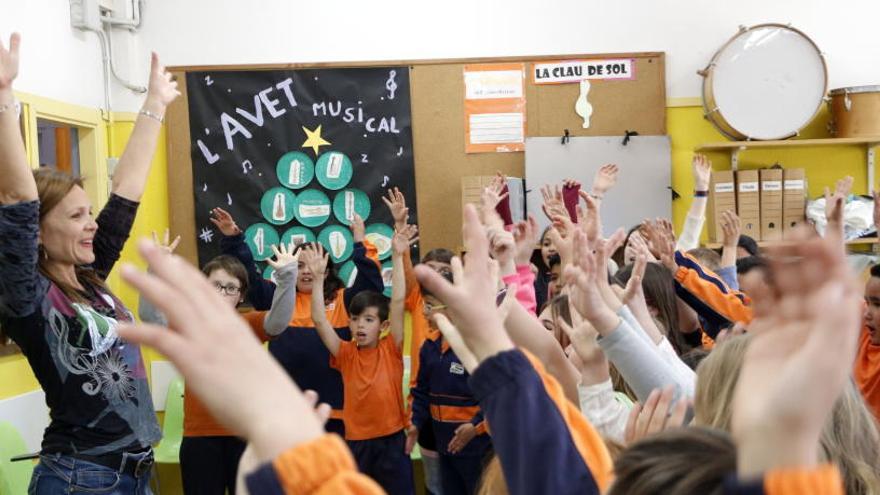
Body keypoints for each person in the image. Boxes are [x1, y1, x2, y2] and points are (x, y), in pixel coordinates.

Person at [0, 33, 178, 494]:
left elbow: (126, 195)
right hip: (81, 478)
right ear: (37, 232)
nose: (92, 224)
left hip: (134, 473)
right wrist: (4, 101)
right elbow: (19, 200)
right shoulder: (28, 295)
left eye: (88, 213)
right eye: (76, 216)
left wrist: (154, 105)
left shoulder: (89, 277)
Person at [138, 232, 299, 495]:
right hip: (199, 438)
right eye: (216, 285)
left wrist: (287, 276)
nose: (222, 293)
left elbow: (279, 321)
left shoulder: (250, 324)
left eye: (231, 287)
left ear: (241, 295)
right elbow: (149, 315)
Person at [212, 208, 384, 436]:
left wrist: (360, 242)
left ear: (327, 269)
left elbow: (373, 284)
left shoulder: (344, 299)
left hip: (335, 410)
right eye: (299, 265)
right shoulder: (277, 297)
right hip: (284, 410)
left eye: (312, 264)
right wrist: (233, 239)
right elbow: (248, 276)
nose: (305, 271)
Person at [304, 224, 417, 495]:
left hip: (392, 441)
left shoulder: (392, 347)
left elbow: (399, 300)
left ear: (384, 325)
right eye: (354, 320)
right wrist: (319, 279)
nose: (360, 326)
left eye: (368, 320)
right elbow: (320, 320)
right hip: (356, 443)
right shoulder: (344, 353)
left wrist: (400, 255)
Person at [407, 272, 492, 495]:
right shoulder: (429, 347)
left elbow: (495, 396)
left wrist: (475, 428)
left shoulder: (476, 346)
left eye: (430, 306)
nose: (425, 312)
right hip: (444, 446)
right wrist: (415, 422)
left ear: (452, 307)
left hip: (477, 448)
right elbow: (421, 392)